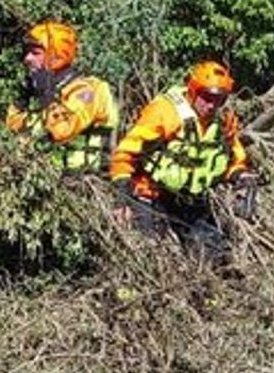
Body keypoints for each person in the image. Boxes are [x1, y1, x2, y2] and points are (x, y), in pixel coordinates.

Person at [110, 59, 258, 264]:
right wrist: (122, 197)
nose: (211, 105)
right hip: (151, 193)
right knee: (151, 258)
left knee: (216, 259)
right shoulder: (165, 112)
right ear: (193, 90)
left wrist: (243, 176)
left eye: (219, 99)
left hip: (190, 198)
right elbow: (126, 153)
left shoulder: (224, 121)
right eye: (207, 97)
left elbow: (234, 158)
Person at [3, 20, 118, 173]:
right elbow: (11, 128)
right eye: (27, 52)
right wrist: (21, 100)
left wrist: (45, 94)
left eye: (35, 53)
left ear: (57, 55)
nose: (27, 59)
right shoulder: (43, 89)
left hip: (80, 183)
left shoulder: (87, 91)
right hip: (41, 177)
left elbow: (62, 131)